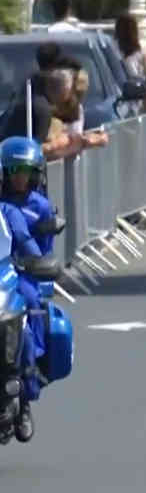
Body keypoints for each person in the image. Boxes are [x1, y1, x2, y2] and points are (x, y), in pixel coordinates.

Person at [0, 137, 65, 444]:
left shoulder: (29, 209)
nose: (19, 177)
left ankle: (26, 390)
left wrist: (35, 261)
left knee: (26, 305)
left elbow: (32, 246)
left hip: (22, 271)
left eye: (25, 171)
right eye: (13, 171)